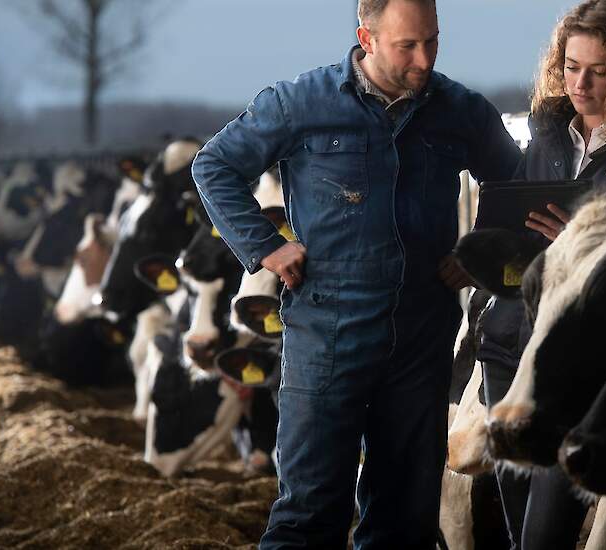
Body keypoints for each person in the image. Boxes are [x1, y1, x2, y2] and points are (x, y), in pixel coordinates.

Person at [191, 0, 522, 547]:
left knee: (405, 517)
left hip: (420, 332)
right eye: (407, 46)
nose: (424, 59)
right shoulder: (301, 103)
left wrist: (476, 254)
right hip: (327, 330)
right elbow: (214, 166)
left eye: (432, 42)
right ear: (366, 39)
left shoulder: (460, 109)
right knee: (309, 512)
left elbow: (512, 182)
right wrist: (266, 248)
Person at [475, 1, 606, 548]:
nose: (581, 83)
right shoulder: (545, 138)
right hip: (510, 345)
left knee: (546, 532)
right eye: (571, 66)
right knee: (520, 525)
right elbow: (517, 228)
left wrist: (581, 241)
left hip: (582, 358)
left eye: (599, 70)